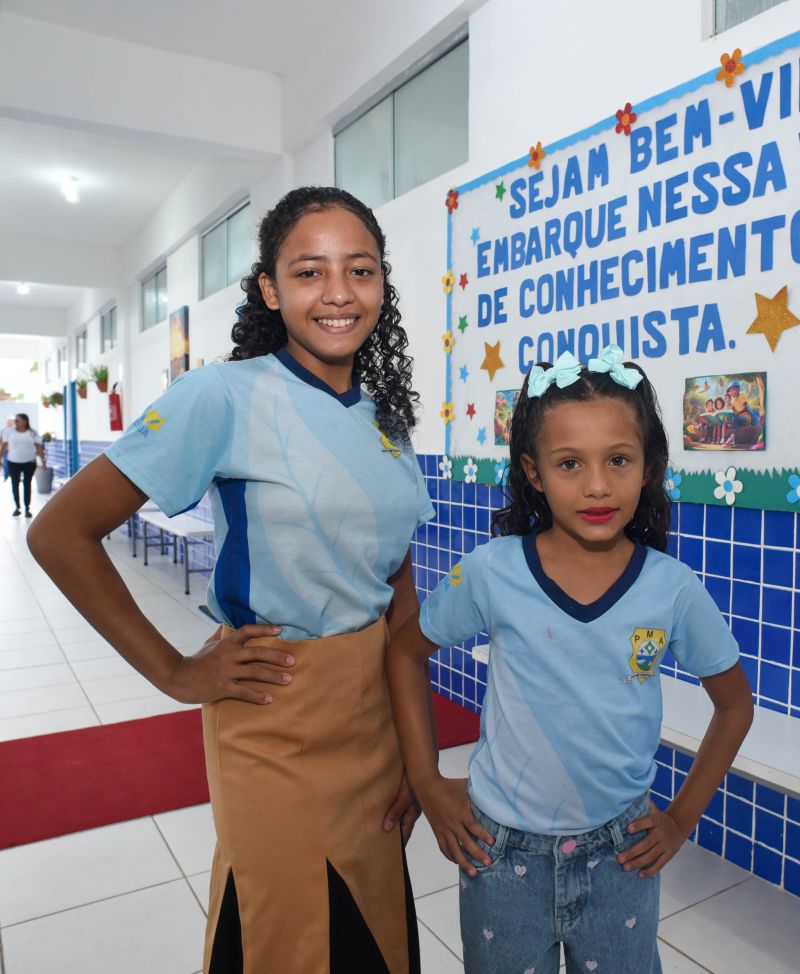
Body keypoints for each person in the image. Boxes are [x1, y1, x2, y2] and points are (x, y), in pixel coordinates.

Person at [28, 186, 434, 974]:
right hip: (276, 714)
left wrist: (417, 758)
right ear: (271, 291)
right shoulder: (222, 395)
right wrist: (176, 670)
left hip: (374, 715)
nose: (340, 292)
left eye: (361, 270)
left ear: (383, 284)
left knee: (376, 934)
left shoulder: (384, 417)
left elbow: (399, 586)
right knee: (286, 934)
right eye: (310, 272)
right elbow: (61, 533)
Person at [386, 346, 754, 974]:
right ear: (533, 472)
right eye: (568, 463)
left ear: (649, 467)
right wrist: (424, 778)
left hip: (623, 855)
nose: (596, 485)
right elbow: (404, 650)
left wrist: (682, 818)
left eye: (618, 460)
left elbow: (734, 705)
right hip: (499, 855)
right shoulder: (490, 573)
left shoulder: (672, 588)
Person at [0, 413, 45, 517]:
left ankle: (27, 508)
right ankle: (17, 507)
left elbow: (39, 447)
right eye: (15, 420)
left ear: (25, 421)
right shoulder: (9, 432)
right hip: (13, 462)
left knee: (27, 484)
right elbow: (4, 446)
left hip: (29, 462)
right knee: (14, 484)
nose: (15, 422)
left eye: (17, 420)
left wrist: (43, 460)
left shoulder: (32, 433)